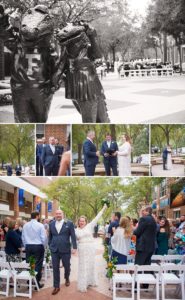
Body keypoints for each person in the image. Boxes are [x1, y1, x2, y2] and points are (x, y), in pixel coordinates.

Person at [57, 22, 110, 123]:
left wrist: (92, 35)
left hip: (88, 87)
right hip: (74, 88)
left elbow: (97, 54)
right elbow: (60, 67)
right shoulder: (66, 51)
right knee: (89, 118)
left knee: (94, 119)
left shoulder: (87, 48)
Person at [75, 204, 107, 292]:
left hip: (90, 248)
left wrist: (103, 209)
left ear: (86, 221)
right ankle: (83, 284)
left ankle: (90, 281)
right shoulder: (76, 230)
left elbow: (97, 217)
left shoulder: (89, 226)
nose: (81, 222)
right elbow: (76, 239)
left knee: (91, 264)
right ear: (78, 222)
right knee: (83, 265)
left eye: (83, 221)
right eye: (80, 221)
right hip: (82, 248)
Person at [48, 210, 77, 295]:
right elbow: (50, 236)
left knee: (67, 266)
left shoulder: (69, 223)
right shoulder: (51, 224)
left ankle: (67, 277)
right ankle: (56, 286)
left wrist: (74, 247)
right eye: (56, 214)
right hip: (54, 250)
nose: (58, 215)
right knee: (55, 268)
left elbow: (73, 236)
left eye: (60, 214)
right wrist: (50, 245)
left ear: (63, 214)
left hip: (65, 249)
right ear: (55, 215)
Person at [22, 211, 47, 289]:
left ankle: (29, 281)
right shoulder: (40, 225)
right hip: (38, 246)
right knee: (38, 265)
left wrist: (26, 245)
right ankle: (36, 283)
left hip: (28, 246)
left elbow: (23, 237)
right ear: (37, 216)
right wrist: (44, 246)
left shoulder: (25, 225)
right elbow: (44, 238)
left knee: (30, 263)